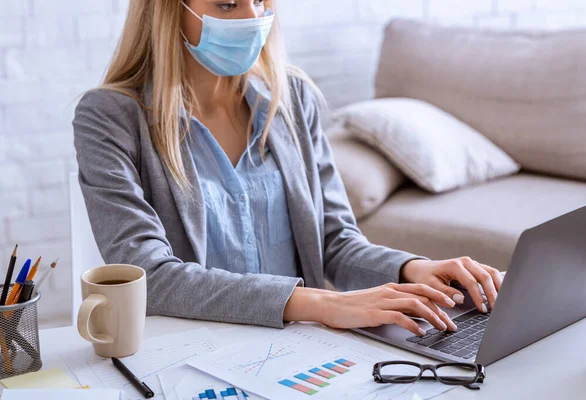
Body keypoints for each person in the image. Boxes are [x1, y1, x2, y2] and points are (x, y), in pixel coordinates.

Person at [73, 0, 503, 337]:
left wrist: (412, 269)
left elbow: (333, 242)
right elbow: (149, 275)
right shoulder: (109, 117)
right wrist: (319, 304)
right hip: (193, 350)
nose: (252, 18)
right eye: (227, 5)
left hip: (299, 350)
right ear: (170, 11)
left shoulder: (291, 98)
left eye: (260, 0)